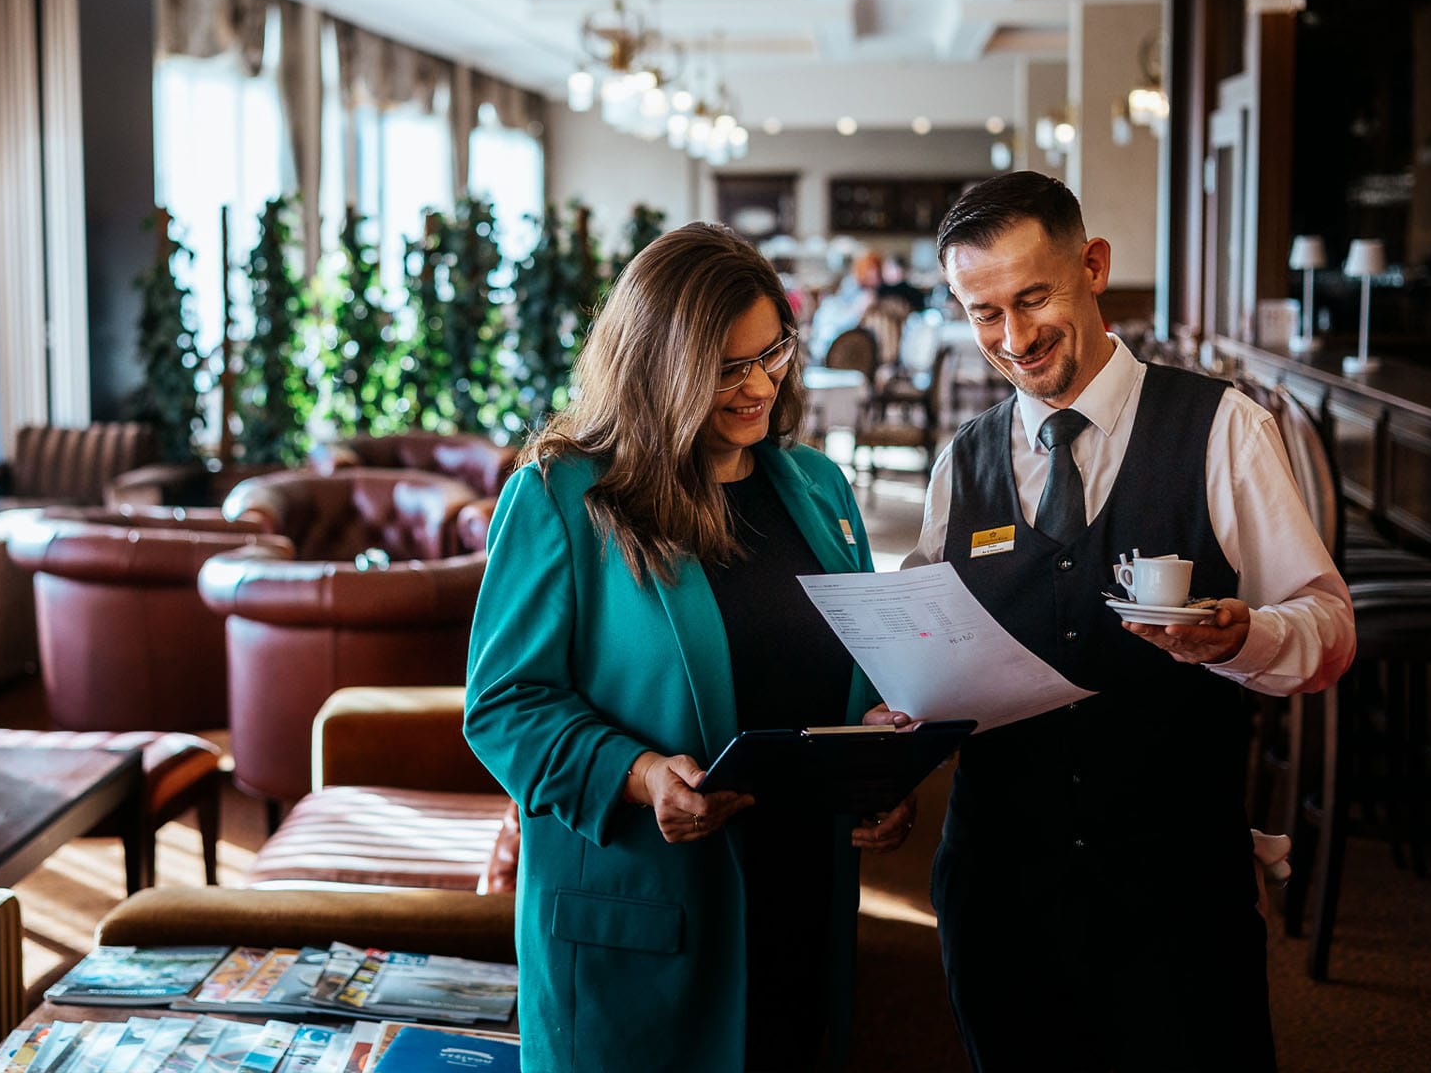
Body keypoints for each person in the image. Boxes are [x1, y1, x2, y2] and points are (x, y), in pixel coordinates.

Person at [894, 171, 1355, 1071]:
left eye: (1033, 298)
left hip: (1175, 890)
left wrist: (1244, 640)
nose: (1014, 338)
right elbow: (924, 647)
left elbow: (1329, 630)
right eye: (984, 313)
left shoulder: (1222, 429)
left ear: (1094, 266)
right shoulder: (963, 463)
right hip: (1000, 890)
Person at [464, 222, 911, 1072]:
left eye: (772, 353)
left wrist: (880, 764)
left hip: (799, 904)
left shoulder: (819, 488)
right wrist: (638, 775)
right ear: (656, 367)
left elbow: (853, 672)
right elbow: (503, 706)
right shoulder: (562, 497)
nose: (760, 386)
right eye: (725, 368)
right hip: (644, 926)